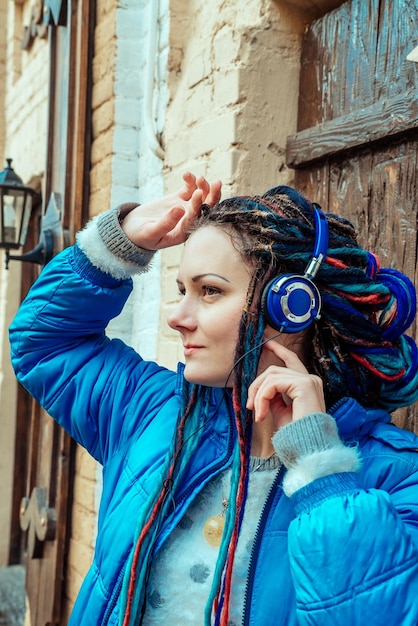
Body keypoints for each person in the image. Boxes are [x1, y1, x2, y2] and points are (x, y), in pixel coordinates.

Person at [9, 172, 418, 626]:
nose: (177, 318)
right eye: (183, 290)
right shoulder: (148, 411)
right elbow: (44, 343)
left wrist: (320, 469)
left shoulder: (394, 475)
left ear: (291, 305)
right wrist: (120, 241)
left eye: (210, 291)